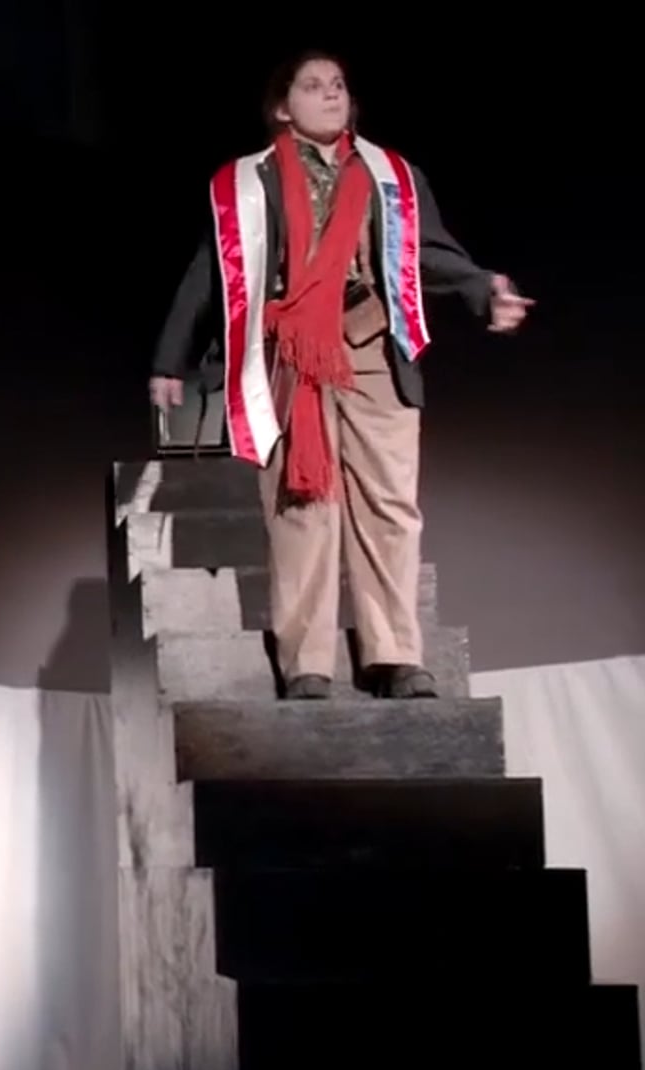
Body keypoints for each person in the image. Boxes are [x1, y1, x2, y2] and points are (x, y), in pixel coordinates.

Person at [149, 51, 530, 700]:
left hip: (372, 344)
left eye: (339, 85)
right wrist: (169, 359)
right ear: (282, 106)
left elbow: (429, 253)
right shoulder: (248, 182)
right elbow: (210, 272)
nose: (331, 95)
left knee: (390, 503)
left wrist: (482, 287)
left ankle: (396, 655)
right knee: (302, 506)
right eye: (313, 86)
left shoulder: (391, 175)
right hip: (288, 352)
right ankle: (308, 663)